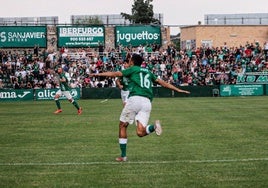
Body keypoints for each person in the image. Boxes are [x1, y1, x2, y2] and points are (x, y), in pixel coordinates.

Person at [91, 54, 190, 162]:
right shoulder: (148, 72)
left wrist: (98, 73)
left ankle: (123, 156)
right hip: (147, 103)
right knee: (140, 132)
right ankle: (154, 127)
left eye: (129, 61)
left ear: (132, 62)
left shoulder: (132, 69)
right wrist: (178, 90)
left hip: (135, 100)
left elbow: (115, 74)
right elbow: (163, 83)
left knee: (122, 126)